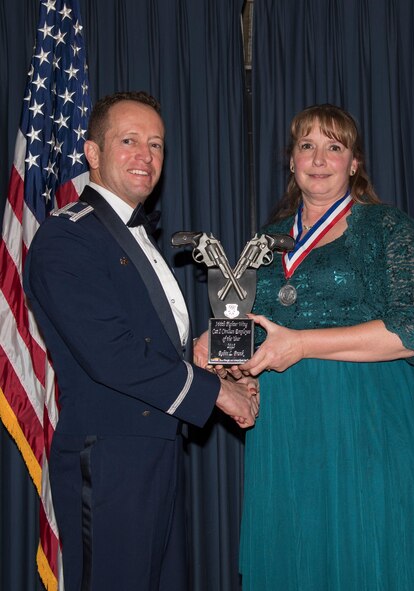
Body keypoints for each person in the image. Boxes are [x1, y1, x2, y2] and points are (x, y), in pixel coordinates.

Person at [23, 91, 258, 591]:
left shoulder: (135, 237)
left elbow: (145, 341)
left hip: (158, 450)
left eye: (156, 144)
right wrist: (216, 392)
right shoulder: (68, 236)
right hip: (109, 457)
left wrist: (199, 357)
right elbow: (113, 355)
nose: (146, 156)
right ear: (92, 153)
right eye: (128, 141)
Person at [204, 104, 414, 590]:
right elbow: (258, 333)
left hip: (369, 417)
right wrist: (227, 358)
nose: (318, 158)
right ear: (290, 160)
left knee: (371, 553)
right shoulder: (264, 242)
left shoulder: (386, 227)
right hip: (286, 422)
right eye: (306, 146)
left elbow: (412, 331)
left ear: (354, 163)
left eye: (334, 147)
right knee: (295, 557)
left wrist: (300, 345)